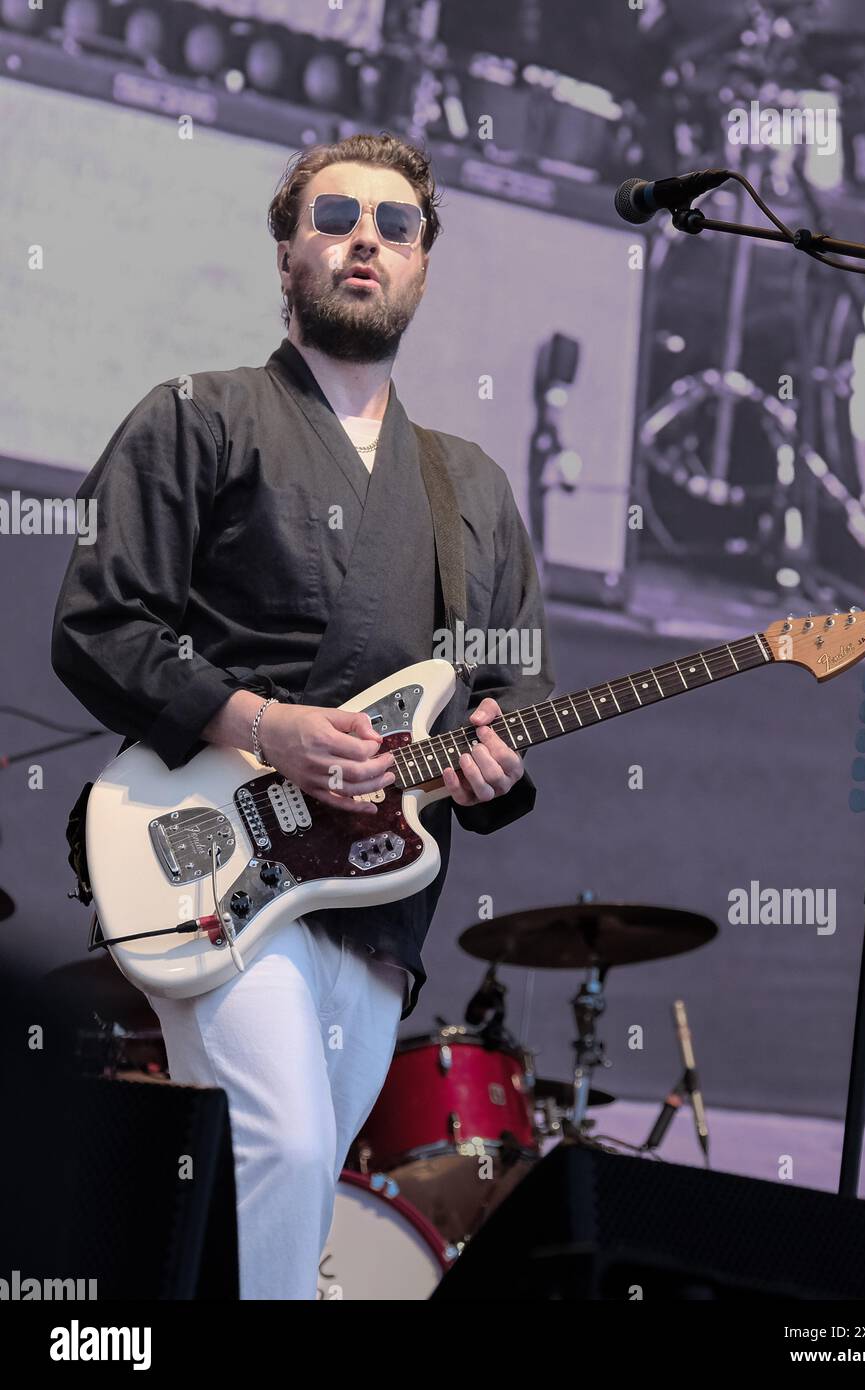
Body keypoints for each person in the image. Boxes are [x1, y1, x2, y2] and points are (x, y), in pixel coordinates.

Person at [51, 132, 555, 1299]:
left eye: (396, 224)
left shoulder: (471, 485)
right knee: (274, 1140)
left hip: (381, 893)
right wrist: (262, 723)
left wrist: (492, 756)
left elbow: (506, 680)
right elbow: (101, 621)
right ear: (288, 252)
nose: (365, 240)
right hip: (216, 849)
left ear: (425, 266)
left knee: (296, 1174)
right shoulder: (197, 416)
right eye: (335, 217)